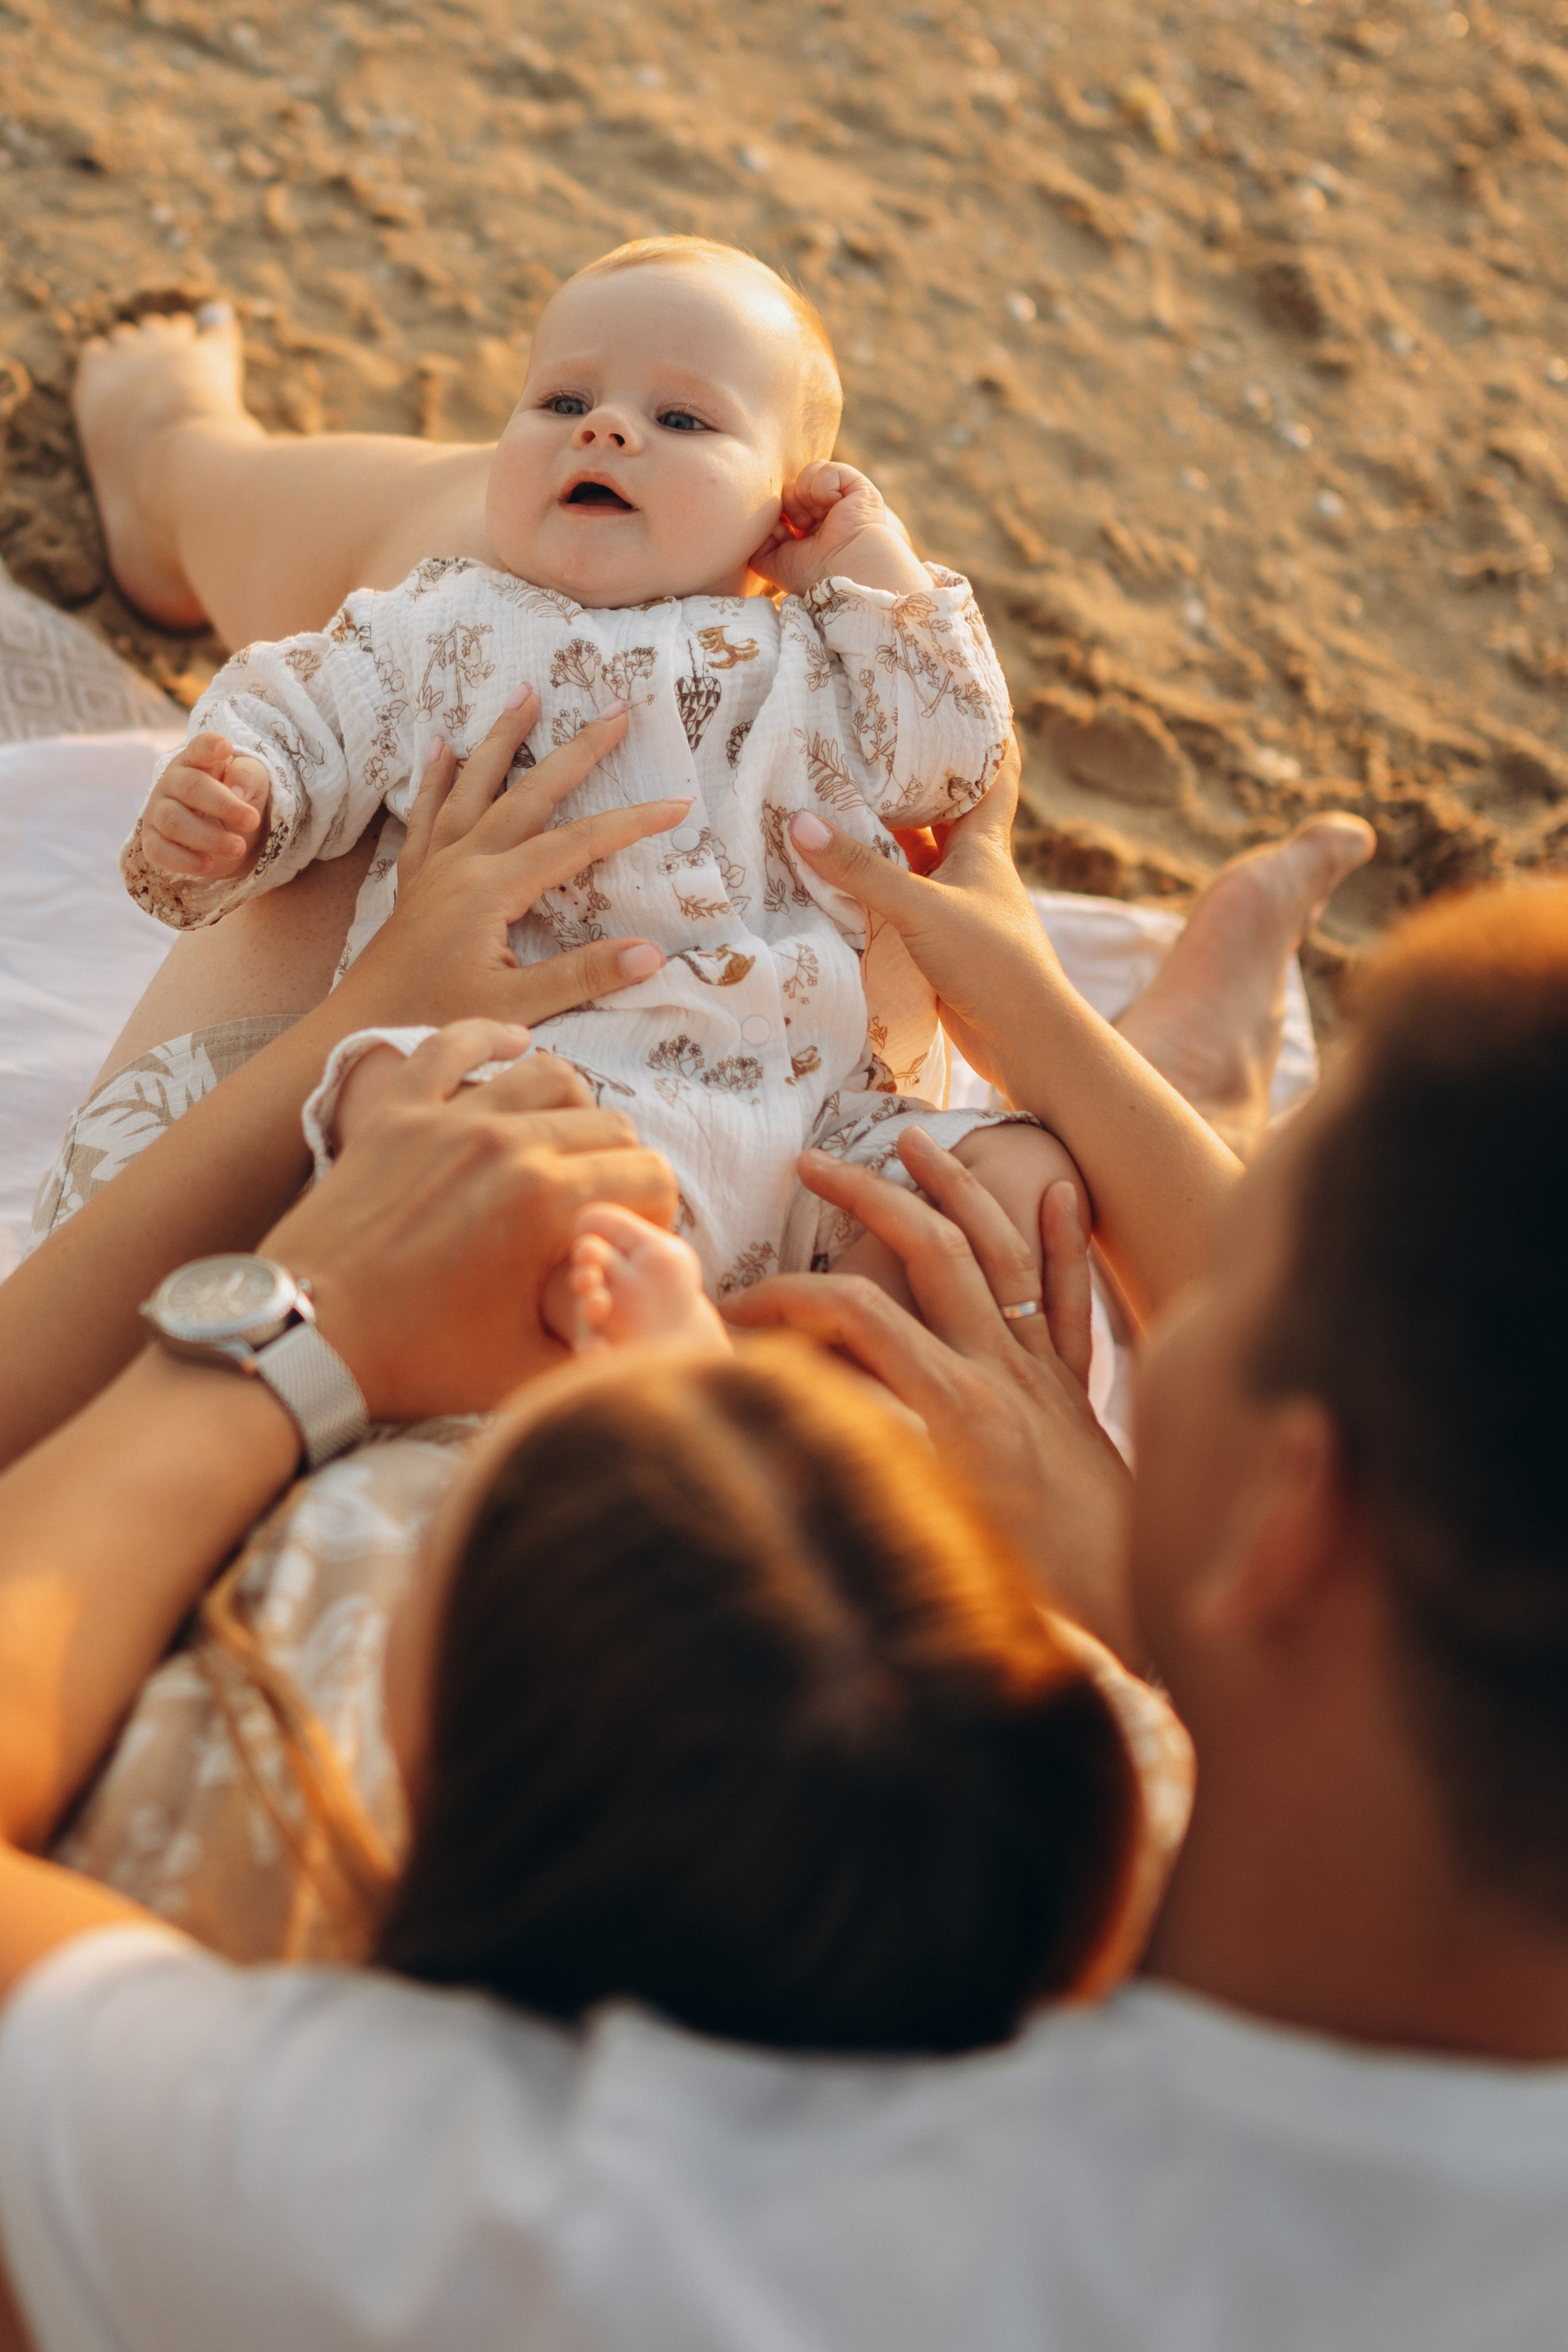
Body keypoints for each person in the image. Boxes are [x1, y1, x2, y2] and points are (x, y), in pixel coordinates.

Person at [5, 856, 1568, 2350]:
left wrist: (305, 1317)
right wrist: (1150, 1618)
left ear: (1284, 1534)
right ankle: (1181, 1062)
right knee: (956, 1245)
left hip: (317, 1453)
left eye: (1214, 1294)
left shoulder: (644, 2231)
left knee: (298, 914)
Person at [115, 238, 1071, 1306]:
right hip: (535, 1081)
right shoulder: (444, 623)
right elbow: (308, 708)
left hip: (815, 1129)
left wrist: (875, 568)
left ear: (783, 510)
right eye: (562, 398)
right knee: (393, 1094)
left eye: (683, 421)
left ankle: (762, 1359)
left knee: (1012, 1182)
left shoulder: (814, 659)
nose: (604, 428)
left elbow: (952, 767)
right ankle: (521, 1309)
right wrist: (240, 795)